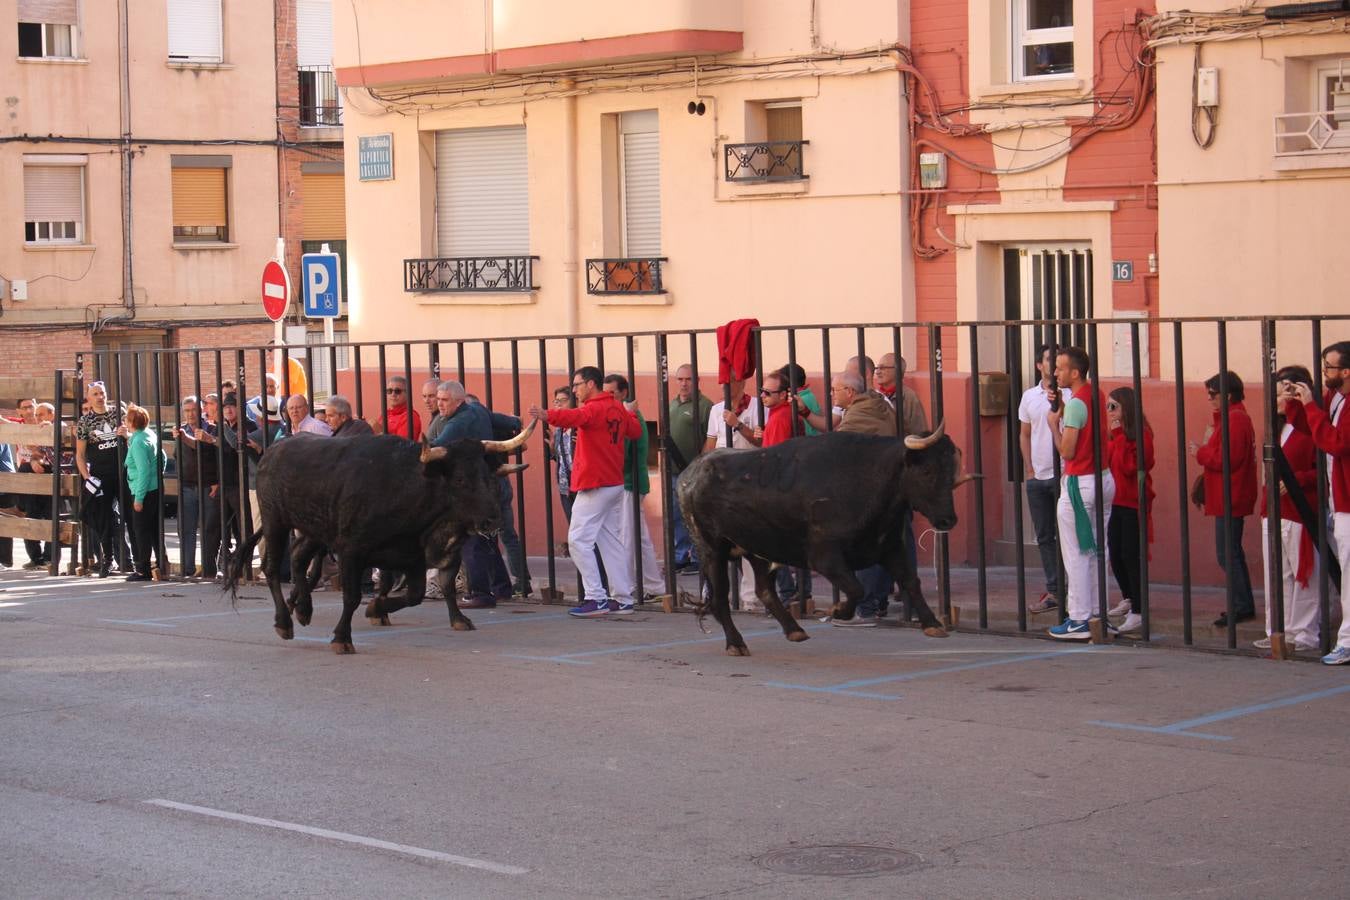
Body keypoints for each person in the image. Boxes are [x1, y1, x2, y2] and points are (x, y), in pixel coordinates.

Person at [528, 366, 641, 618]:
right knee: (609, 540)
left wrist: (546, 414)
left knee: (578, 540)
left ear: (591, 384)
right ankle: (623, 599)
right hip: (613, 482)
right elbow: (636, 431)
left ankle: (596, 597)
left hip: (595, 483)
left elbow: (573, 418)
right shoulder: (616, 408)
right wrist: (628, 413)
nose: (575, 389)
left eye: (577, 384)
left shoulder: (594, 408)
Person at [800, 371, 897, 627]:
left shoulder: (859, 416)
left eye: (835, 389)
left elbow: (837, 446)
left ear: (850, 393)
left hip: (866, 494)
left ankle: (865, 610)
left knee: (862, 549)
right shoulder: (874, 404)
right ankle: (876, 604)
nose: (832, 394)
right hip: (880, 490)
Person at [1045, 347, 1114, 640]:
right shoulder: (1095, 394)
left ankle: (1079, 619)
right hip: (1103, 479)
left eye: (1059, 368)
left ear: (1074, 373)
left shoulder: (1075, 405)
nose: (1054, 373)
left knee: (1077, 553)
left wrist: (1053, 426)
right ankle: (1098, 614)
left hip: (1079, 483)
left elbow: (1068, 450)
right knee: (1098, 550)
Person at [1290, 341, 1350, 665]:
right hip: (1338, 503)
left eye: (1329, 366)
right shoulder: (1335, 398)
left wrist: (1311, 407)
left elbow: (1336, 442)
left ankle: (1347, 641)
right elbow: (1314, 429)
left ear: (1346, 371)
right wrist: (1300, 403)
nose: (1324, 371)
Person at [1257, 366, 1320, 653]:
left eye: (1287, 388)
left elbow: (1322, 469)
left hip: (1299, 510)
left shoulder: (1310, 424)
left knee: (1302, 573)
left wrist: (1297, 481)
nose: (1281, 395)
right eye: (1278, 389)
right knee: (1276, 573)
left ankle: (1304, 632)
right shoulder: (1277, 425)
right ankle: (1277, 630)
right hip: (1273, 509)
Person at [433, 380, 511, 608]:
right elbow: (508, 422)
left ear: (459, 401)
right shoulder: (477, 410)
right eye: (438, 399)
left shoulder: (458, 422)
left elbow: (436, 446)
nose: (439, 404)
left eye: (444, 400)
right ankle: (501, 587)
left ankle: (480, 592)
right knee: (486, 537)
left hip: (470, 489)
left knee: (471, 539)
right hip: (489, 482)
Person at [1191, 370, 1258, 628]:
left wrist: (1201, 453)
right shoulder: (1229, 418)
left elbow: (1227, 459)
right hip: (1228, 492)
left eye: (1213, 395)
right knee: (1229, 552)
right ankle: (1241, 603)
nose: (1210, 399)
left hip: (1232, 493)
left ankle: (1242, 605)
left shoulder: (1236, 420)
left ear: (1227, 395)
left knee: (1227, 553)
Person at [604, 374, 667, 602]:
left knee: (627, 536)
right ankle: (654, 585)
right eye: (606, 392)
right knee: (638, 537)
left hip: (629, 484)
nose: (608, 396)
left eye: (612, 392)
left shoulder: (629, 417)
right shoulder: (624, 416)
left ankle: (626, 587)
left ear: (624, 393)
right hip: (631, 482)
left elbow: (624, 454)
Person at [1104, 387, 1154, 636]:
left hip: (1132, 501)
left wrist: (1118, 436)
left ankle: (1139, 609)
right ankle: (1128, 597)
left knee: (1130, 554)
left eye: (1114, 406)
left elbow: (1127, 467)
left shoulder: (1140, 435)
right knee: (1115, 552)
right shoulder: (1116, 435)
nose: (1109, 411)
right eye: (1107, 406)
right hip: (1114, 500)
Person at [75, 381, 131, 577]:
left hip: (123, 472)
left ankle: (135, 561)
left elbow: (137, 436)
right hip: (100, 476)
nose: (100, 397)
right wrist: (87, 478)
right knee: (103, 518)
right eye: (95, 394)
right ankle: (108, 560)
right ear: (89, 398)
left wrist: (127, 434)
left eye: (102, 393)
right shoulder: (85, 421)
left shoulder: (119, 414)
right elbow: (80, 454)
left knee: (130, 515)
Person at [667, 365, 711, 572]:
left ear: (697, 381)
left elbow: (710, 438)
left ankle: (697, 557)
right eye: (680, 379)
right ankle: (681, 554)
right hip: (673, 471)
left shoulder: (704, 406)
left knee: (696, 516)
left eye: (688, 379)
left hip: (694, 472)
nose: (684, 384)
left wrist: (699, 467)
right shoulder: (672, 405)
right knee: (676, 515)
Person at [174, 395, 220, 578]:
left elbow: (212, 455)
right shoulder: (181, 430)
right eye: (186, 411)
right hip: (186, 486)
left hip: (208, 485)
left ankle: (209, 570)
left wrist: (217, 481)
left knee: (209, 529)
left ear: (200, 410)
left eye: (193, 410)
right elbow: (177, 456)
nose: (190, 414)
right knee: (186, 528)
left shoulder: (210, 429)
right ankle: (187, 569)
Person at [122, 404, 165, 582]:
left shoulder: (139, 442)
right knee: (153, 529)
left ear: (131, 421)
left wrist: (139, 498)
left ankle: (143, 569)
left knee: (141, 530)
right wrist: (158, 476)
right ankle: (161, 564)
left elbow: (143, 470)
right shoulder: (149, 434)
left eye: (126, 418)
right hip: (153, 488)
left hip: (143, 490)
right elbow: (162, 457)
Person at [543, 386, 576, 524]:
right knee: (573, 524)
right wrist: (553, 450)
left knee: (586, 530)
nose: (559, 405)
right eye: (556, 402)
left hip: (582, 485)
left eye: (563, 400)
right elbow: (563, 458)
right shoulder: (558, 429)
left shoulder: (580, 426)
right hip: (565, 485)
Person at [703, 374, 761, 452]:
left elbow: (760, 442)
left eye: (729, 382)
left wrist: (737, 424)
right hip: (723, 462)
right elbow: (710, 446)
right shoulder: (715, 409)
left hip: (749, 462)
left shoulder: (758, 406)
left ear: (741, 382)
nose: (723, 386)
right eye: (722, 382)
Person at [372, 375, 422, 439]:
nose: (393, 394)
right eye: (389, 391)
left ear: (407, 393)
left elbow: (402, 445)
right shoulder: (386, 413)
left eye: (397, 391)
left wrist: (380, 433)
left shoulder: (410, 416)